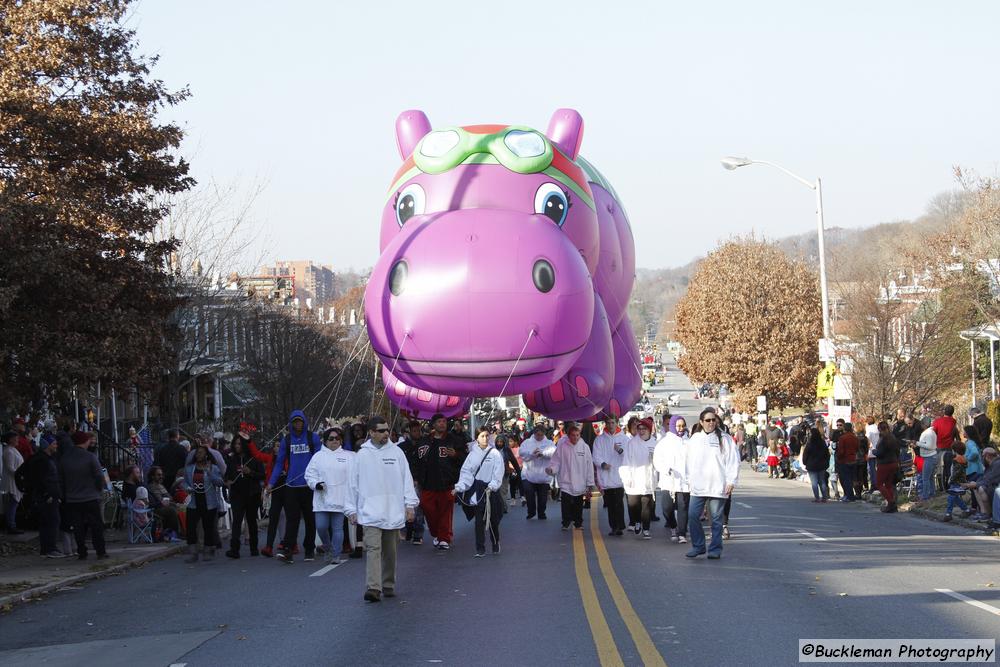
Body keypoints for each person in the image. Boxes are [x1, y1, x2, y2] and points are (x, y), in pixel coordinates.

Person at [346, 417, 418, 602]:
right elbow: (352, 484)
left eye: (387, 430)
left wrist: (410, 505)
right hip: (370, 511)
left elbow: (406, 480)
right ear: (371, 432)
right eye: (381, 430)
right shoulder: (361, 455)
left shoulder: (397, 453)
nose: (386, 433)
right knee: (373, 549)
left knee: (390, 551)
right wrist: (351, 509)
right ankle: (373, 587)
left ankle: (387, 584)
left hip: (392, 511)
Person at [266, 410, 321, 564]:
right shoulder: (287, 440)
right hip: (291, 485)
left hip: (308, 486)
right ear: (291, 423)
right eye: (295, 422)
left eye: (300, 421)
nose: (298, 424)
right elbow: (278, 464)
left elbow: (320, 460)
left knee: (310, 519)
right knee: (292, 519)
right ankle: (288, 550)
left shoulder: (313, 438)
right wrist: (271, 483)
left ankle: (309, 549)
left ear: (304, 422)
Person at [685, 409, 739, 559]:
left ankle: (715, 549)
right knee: (693, 516)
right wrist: (688, 480)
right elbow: (688, 462)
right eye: (707, 420)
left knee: (716, 520)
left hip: (717, 485)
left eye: (713, 420)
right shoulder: (694, 439)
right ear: (701, 422)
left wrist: (731, 481)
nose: (711, 423)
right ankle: (698, 546)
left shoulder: (725, 439)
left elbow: (733, 461)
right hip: (698, 486)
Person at [413, 413, 467, 551]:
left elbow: (465, 459)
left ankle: (444, 538)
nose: (442, 424)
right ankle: (437, 533)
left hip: (447, 482)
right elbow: (416, 462)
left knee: (445, 511)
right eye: (439, 421)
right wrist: (416, 478)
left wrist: (455, 455)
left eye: (444, 421)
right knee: (428, 508)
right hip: (427, 483)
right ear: (433, 424)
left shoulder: (454, 440)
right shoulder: (424, 441)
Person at [305, 426, 355, 564]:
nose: (334, 441)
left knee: (337, 528)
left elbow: (355, 477)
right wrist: (316, 484)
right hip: (322, 499)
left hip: (340, 498)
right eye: (331, 438)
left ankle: (335, 554)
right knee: (321, 526)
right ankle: (327, 547)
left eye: (338, 438)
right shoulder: (318, 456)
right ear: (325, 441)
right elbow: (309, 474)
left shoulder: (349, 456)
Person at [455, 428, 505, 557]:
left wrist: (493, 485)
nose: (485, 438)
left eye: (487, 435)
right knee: (479, 521)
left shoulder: (495, 453)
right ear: (477, 438)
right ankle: (480, 548)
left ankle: (495, 542)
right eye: (482, 436)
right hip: (477, 492)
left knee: (493, 519)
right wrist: (459, 487)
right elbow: (466, 473)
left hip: (491, 491)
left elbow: (498, 472)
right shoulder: (472, 455)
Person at [61, 430, 108, 559]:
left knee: (78, 526)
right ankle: (100, 550)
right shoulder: (90, 457)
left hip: (72, 498)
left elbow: (62, 478)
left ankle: (81, 551)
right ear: (85, 441)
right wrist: (99, 489)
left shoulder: (65, 458)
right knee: (96, 525)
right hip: (90, 496)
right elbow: (99, 476)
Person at [546, 423, 595, 531]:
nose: (575, 437)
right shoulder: (562, 447)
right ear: (568, 436)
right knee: (566, 503)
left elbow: (589, 465)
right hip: (566, 479)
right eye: (573, 435)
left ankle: (578, 523)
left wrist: (590, 483)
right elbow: (556, 462)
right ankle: (566, 522)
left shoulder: (585, 447)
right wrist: (552, 469)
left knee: (578, 503)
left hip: (580, 480)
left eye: (577, 435)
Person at [224, 434, 265, 558]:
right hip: (237, 494)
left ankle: (254, 547)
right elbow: (227, 475)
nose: (237, 446)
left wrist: (250, 472)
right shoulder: (231, 459)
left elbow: (261, 475)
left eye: (239, 444)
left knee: (252, 520)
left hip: (252, 494)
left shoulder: (254, 459)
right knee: (236, 520)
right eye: (235, 444)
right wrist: (228, 482)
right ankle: (234, 549)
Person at [183, 442, 225, 563]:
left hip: (209, 502)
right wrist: (187, 487)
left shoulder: (213, 468)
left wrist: (210, 473)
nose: (198, 454)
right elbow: (184, 481)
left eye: (201, 452)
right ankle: (193, 553)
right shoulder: (190, 468)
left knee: (208, 528)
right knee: (191, 527)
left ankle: (207, 550)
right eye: (197, 452)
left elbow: (220, 482)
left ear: (207, 455)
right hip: (194, 502)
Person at [654, 415, 690, 543]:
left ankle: (682, 533)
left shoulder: (688, 442)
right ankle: (673, 526)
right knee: (667, 508)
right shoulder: (664, 442)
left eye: (682, 426)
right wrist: (666, 469)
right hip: (668, 481)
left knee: (683, 507)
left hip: (684, 482)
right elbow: (657, 460)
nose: (680, 428)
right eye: (678, 426)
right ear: (672, 426)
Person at [619, 417, 657, 538]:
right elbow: (626, 460)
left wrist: (654, 460)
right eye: (639, 428)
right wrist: (627, 477)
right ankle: (636, 522)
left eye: (644, 429)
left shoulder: (654, 443)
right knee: (633, 504)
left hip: (648, 478)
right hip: (634, 478)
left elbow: (660, 461)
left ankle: (646, 528)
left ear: (649, 429)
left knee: (646, 505)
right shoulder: (632, 443)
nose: (641, 431)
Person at [29, 435, 65, 557]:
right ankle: (50, 548)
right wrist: (46, 494)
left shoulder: (49, 459)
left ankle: (48, 548)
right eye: (54, 444)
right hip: (47, 496)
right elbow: (40, 479)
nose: (56, 446)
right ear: (48, 445)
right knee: (51, 521)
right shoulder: (42, 460)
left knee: (50, 521)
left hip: (52, 494)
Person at [593, 416, 627, 536]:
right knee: (610, 504)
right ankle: (613, 526)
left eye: (613, 422)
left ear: (617, 423)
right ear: (605, 424)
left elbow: (628, 456)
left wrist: (620, 451)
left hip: (619, 476)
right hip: (606, 476)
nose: (611, 425)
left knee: (618, 502)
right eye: (608, 423)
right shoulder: (599, 440)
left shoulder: (624, 438)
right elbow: (596, 455)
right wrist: (602, 464)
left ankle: (620, 526)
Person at [519, 425, 556, 521]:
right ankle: (531, 512)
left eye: (541, 435)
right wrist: (532, 454)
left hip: (543, 476)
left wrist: (543, 453)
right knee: (529, 494)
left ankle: (541, 513)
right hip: (528, 474)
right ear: (534, 433)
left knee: (542, 498)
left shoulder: (549, 443)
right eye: (537, 435)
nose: (539, 437)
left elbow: (554, 453)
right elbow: (522, 453)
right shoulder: (527, 442)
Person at [398, 421, 426, 545]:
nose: (417, 433)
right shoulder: (401, 447)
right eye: (414, 431)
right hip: (405, 480)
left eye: (418, 430)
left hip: (419, 480)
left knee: (418, 507)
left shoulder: (424, 445)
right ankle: (408, 529)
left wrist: (419, 478)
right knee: (405, 506)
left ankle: (418, 533)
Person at [964, 448, 1000, 526]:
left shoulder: (997, 464)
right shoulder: (991, 464)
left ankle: (988, 514)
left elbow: (991, 479)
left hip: (996, 487)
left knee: (980, 488)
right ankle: (983, 512)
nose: (982, 458)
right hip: (992, 485)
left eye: (983, 455)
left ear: (987, 456)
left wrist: (976, 484)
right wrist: (975, 483)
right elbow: (984, 477)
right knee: (976, 486)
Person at [146, 466, 181, 540]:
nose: (161, 477)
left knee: (183, 508)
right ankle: (175, 533)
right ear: (152, 476)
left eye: (161, 475)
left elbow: (169, 498)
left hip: (166, 505)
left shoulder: (161, 486)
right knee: (172, 510)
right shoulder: (152, 486)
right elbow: (161, 500)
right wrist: (172, 503)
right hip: (156, 508)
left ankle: (184, 532)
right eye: (158, 475)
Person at [872, 421, 900, 513]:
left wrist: (874, 451)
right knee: (888, 484)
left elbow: (880, 453)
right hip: (893, 462)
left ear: (880, 429)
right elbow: (897, 450)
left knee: (879, 484)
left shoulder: (884, 439)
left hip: (884, 464)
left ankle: (890, 502)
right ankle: (892, 505)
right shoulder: (893, 437)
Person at [932, 405, 958, 493]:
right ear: (952, 413)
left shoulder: (937, 421)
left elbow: (933, 433)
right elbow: (955, 433)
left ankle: (941, 488)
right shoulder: (953, 421)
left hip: (939, 448)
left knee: (940, 468)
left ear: (944, 411)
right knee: (949, 468)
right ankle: (949, 485)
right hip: (950, 448)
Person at [2, 432, 25, 534]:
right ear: (10, 439)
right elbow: (10, 468)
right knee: (13, 503)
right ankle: (11, 525)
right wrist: (19, 474)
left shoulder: (12, 450)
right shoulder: (9, 451)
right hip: (13, 481)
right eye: (15, 438)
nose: (17, 440)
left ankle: (12, 524)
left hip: (16, 479)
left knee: (13, 503)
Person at [943, 440, 971, 521]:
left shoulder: (957, 460)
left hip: (956, 482)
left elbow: (956, 472)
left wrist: (951, 480)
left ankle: (948, 514)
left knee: (951, 497)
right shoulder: (963, 459)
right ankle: (966, 510)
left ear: (954, 450)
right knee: (954, 497)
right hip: (961, 481)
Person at [801, 428, 831, 502]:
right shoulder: (822, 443)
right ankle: (824, 497)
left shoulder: (809, 444)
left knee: (814, 483)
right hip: (822, 464)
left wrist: (805, 462)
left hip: (811, 465)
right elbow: (827, 454)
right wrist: (826, 462)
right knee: (822, 481)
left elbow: (805, 455)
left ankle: (817, 497)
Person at [835, 423, 859, 501]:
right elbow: (857, 448)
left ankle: (849, 495)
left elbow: (841, 451)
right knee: (851, 478)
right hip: (853, 459)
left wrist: (838, 457)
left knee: (846, 479)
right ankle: (851, 494)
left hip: (844, 460)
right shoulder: (855, 437)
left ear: (844, 429)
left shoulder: (843, 438)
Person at [917, 422, 939, 502]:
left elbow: (929, 446)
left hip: (930, 457)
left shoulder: (929, 433)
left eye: (922, 424)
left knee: (925, 478)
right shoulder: (931, 432)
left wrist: (917, 443)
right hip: (931, 456)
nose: (921, 425)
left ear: (925, 425)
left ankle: (925, 496)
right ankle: (932, 494)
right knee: (930, 478)